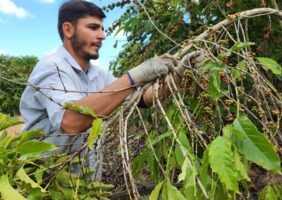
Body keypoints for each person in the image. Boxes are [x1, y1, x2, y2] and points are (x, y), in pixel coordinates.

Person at [19, 0, 184, 178]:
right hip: (45, 184)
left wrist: (179, 75)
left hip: (86, 186)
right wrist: (133, 77)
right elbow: (71, 121)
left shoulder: (100, 75)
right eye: (93, 27)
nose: (102, 35)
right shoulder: (51, 68)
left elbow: (143, 99)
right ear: (68, 30)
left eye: (102, 29)